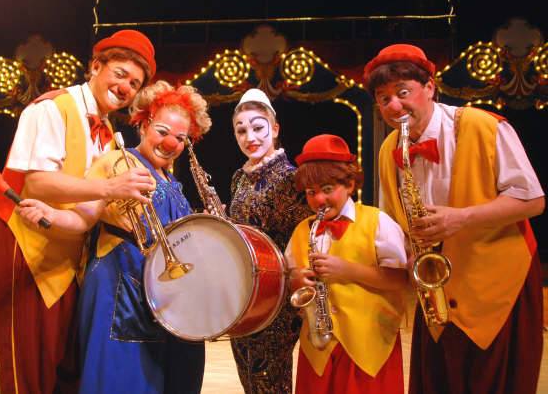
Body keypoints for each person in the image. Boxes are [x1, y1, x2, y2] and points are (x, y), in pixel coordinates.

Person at [364, 43, 545, 394]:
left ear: (430, 87)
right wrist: (408, 252)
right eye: (384, 99)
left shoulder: (483, 126)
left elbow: (532, 200)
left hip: (499, 285)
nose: (394, 106)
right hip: (438, 292)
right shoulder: (388, 150)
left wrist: (461, 218)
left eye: (403, 92)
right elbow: (395, 221)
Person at [0, 29, 157, 394]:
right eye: (120, 74)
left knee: (62, 361)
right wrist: (111, 188)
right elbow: (38, 184)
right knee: (29, 367)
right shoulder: (51, 108)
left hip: (68, 251)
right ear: (95, 67)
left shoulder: (109, 133)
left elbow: (89, 206)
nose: (126, 87)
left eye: (135, 83)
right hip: (26, 244)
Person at [16, 80, 212, 394]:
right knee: (120, 380)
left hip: (158, 293)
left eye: (180, 138)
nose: (170, 143)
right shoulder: (115, 162)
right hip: (119, 287)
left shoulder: (172, 181)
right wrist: (50, 215)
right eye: (162, 131)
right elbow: (83, 218)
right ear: (144, 124)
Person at [286, 134, 408, 394]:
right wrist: (295, 279)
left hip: (369, 348)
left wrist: (347, 270)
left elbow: (400, 279)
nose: (319, 200)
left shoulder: (378, 222)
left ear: (350, 184)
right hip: (318, 348)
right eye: (311, 192)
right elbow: (290, 276)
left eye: (327, 189)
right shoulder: (301, 230)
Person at [228, 88, 312, 393]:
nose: (250, 137)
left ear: (274, 129)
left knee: (269, 380)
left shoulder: (291, 178)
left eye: (258, 127)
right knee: (248, 375)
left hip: (276, 299)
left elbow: (306, 238)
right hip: (242, 295)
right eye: (241, 130)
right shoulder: (239, 178)